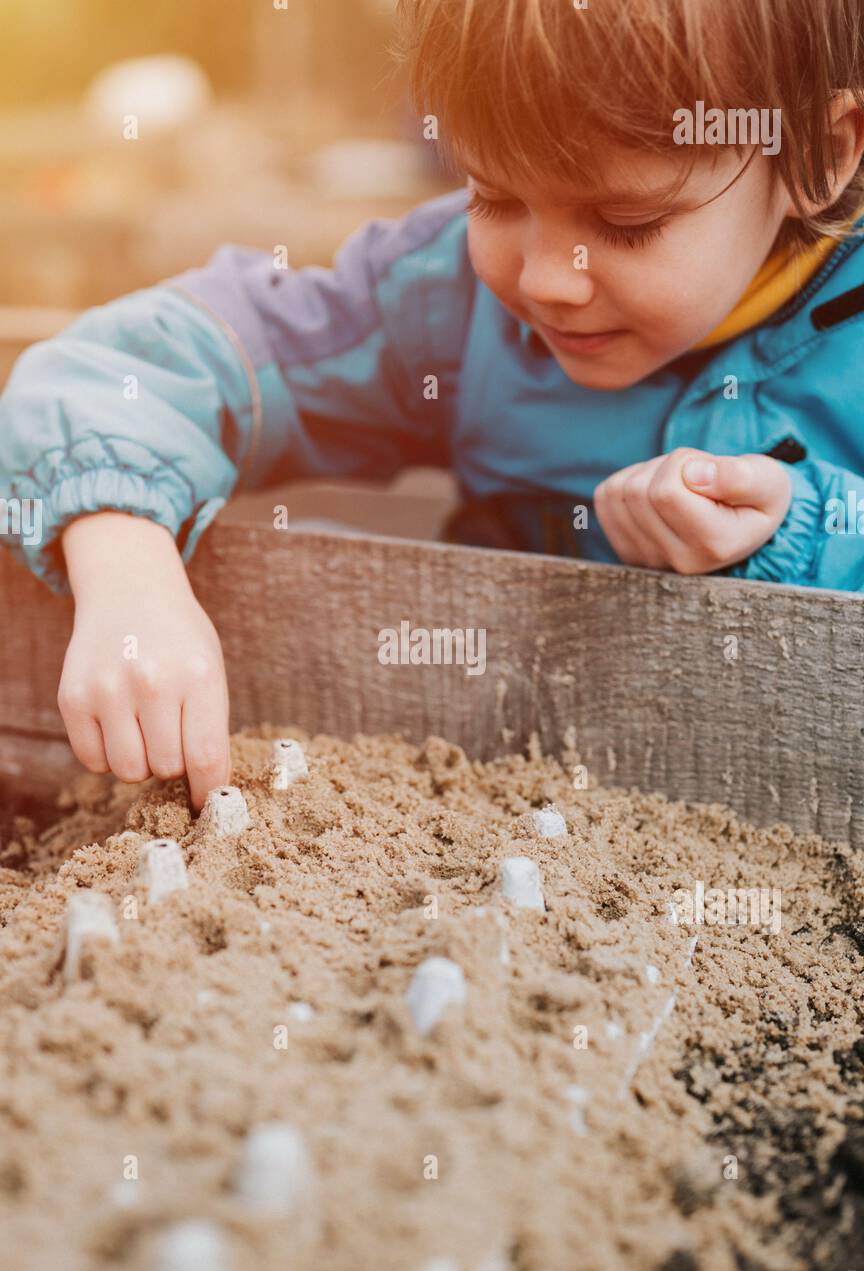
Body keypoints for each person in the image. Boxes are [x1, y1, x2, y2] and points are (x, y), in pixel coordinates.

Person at [1, 0, 863, 808]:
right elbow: (123, 367)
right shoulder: (445, 300)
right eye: (495, 196)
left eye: (627, 222)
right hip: (504, 798)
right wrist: (126, 571)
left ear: (824, 153)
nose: (544, 279)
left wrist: (799, 536)